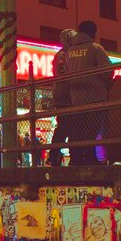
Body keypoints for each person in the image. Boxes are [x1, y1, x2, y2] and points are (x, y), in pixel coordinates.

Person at [64, 21, 113, 165]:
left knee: (77, 131)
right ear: (93, 33)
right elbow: (107, 70)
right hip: (95, 97)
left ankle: (76, 159)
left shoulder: (70, 52)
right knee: (91, 131)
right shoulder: (96, 49)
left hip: (76, 99)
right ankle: (90, 159)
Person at [47, 29, 73, 166]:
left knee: (64, 126)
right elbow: (65, 74)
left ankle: (54, 155)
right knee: (66, 127)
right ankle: (54, 155)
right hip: (66, 96)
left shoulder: (60, 55)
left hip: (61, 95)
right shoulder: (64, 55)